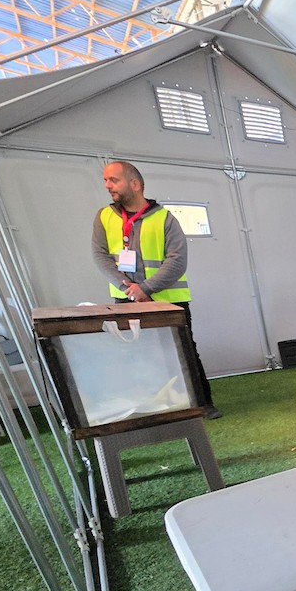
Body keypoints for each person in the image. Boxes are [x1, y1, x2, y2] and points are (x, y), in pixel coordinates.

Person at [90, 160, 219, 418]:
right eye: (105, 180)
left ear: (135, 184)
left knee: (183, 352)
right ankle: (153, 408)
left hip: (169, 300)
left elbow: (177, 260)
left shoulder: (165, 218)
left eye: (113, 180)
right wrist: (126, 287)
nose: (107, 186)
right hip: (125, 300)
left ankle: (202, 404)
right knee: (137, 354)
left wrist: (146, 288)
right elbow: (100, 255)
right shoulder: (104, 217)